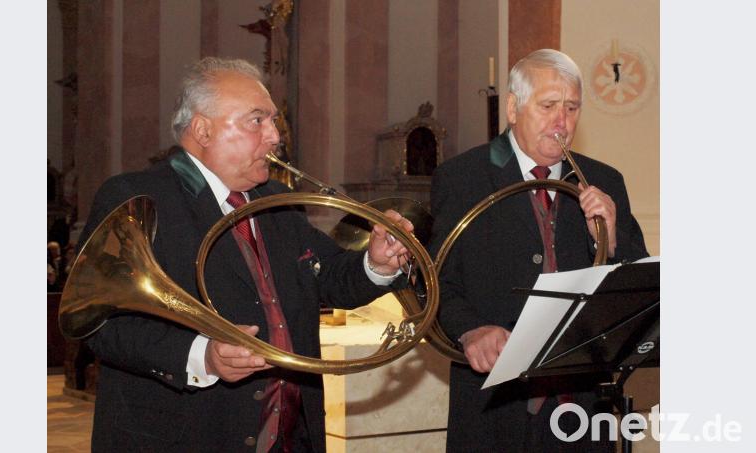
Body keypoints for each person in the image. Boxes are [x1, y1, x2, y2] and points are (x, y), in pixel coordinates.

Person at [77, 57, 414, 452]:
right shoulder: (137, 198)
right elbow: (99, 324)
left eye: (273, 122)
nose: (274, 136)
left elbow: (331, 277)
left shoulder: (276, 200)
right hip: (187, 436)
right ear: (203, 128)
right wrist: (202, 356)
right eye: (257, 121)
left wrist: (376, 263)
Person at [429, 49, 648, 451]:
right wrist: (470, 330)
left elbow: (637, 293)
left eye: (571, 107)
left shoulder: (605, 180)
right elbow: (437, 283)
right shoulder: (462, 177)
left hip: (583, 408)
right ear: (513, 108)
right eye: (548, 106)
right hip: (496, 407)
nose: (561, 122)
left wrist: (610, 238)